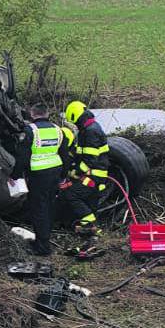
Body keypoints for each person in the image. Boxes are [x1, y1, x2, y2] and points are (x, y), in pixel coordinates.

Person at [60, 100, 110, 237]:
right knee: (90, 201)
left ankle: (89, 223)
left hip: (93, 175)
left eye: (75, 122)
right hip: (94, 174)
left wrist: (74, 171)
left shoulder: (90, 132)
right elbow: (81, 152)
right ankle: (91, 230)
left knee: (71, 194)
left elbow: (90, 160)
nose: (75, 126)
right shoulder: (89, 129)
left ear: (78, 117)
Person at [22, 103, 63, 255]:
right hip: (55, 173)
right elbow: (63, 153)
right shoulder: (58, 130)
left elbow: (23, 156)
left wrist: (16, 175)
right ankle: (45, 238)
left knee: (39, 209)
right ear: (47, 114)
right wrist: (63, 175)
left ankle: (43, 247)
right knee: (49, 207)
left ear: (32, 114)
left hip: (38, 175)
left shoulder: (30, 130)